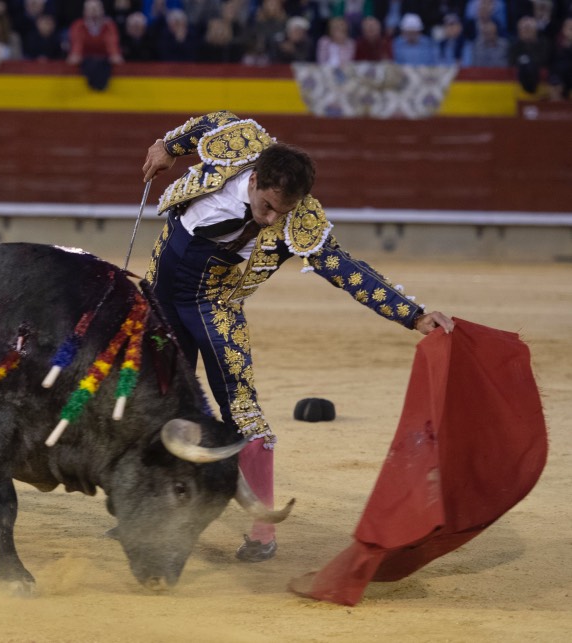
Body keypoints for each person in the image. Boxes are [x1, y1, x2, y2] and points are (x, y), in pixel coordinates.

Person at [141, 111, 453, 562]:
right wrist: (168, 147)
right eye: (268, 206)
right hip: (160, 292)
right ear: (253, 180)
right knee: (156, 401)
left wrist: (414, 316)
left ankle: (263, 531)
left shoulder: (297, 220)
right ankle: (149, 513)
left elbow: (349, 272)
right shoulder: (239, 141)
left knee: (242, 413)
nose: (272, 221)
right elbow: (210, 122)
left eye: (283, 212)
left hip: (213, 306)